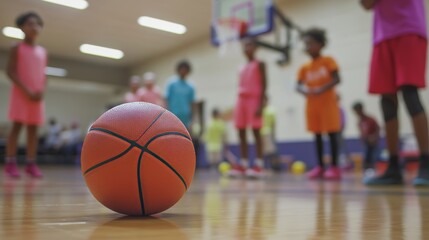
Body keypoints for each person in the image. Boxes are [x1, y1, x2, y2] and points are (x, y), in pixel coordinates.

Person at [361, 0, 429, 186]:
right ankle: (393, 167)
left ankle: (426, 162)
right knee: (387, 99)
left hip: (409, 28)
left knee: (410, 93)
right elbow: (366, 4)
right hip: (382, 35)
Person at [4, 12, 47, 178]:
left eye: (37, 24)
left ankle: (31, 164)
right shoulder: (17, 47)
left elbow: (43, 75)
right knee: (16, 128)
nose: (34, 27)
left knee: (33, 130)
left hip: (36, 96)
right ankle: (10, 163)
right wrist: (26, 90)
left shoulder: (43, 51)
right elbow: (10, 71)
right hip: (21, 94)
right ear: (22, 27)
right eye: (30, 23)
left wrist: (41, 90)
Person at [296, 28, 342, 180]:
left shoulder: (329, 61)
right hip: (312, 105)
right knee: (317, 136)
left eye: (311, 43)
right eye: (306, 44)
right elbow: (297, 85)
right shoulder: (304, 67)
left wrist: (320, 89)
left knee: (332, 135)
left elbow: (337, 78)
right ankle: (320, 167)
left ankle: (334, 167)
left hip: (328, 104)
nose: (308, 47)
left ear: (321, 44)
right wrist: (305, 91)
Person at [229, 38, 266, 178]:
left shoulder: (260, 64)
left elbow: (264, 85)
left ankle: (259, 165)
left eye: (249, 45)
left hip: (254, 99)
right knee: (241, 131)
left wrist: (261, 104)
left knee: (256, 132)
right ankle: (243, 164)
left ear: (256, 48)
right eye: (244, 46)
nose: (246, 48)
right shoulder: (241, 67)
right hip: (241, 99)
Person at [164, 60, 196, 129]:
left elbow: (192, 103)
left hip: (185, 118)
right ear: (178, 70)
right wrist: (165, 115)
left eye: (185, 70)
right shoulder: (171, 83)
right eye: (182, 69)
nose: (183, 71)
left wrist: (192, 120)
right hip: (172, 116)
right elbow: (166, 99)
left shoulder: (190, 86)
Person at [352, 102, 380, 171]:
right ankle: (367, 171)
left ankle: (372, 171)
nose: (357, 113)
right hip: (366, 142)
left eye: (357, 111)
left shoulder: (370, 119)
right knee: (366, 159)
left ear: (361, 109)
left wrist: (374, 137)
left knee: (372, 159)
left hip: (373, 143)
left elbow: (378, 129)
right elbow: (362, 133)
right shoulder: (359, 122)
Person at [260, 96, 281, 171]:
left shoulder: (271, 110)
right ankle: (262, 167)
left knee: (271, 151)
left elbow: (273, 124)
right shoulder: (260, 110)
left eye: (264, 100)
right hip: (260, 133)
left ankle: (274, 167)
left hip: (268, 133)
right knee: (262, 151)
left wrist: (273, 134)